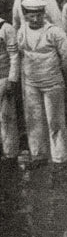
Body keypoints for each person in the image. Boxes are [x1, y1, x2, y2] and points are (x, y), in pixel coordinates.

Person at [17, 0, 67, 180]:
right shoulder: (22, 31)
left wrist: (61, 77)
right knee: (34, 120)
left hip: (52, 83)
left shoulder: (55, 32)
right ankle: (38, 155)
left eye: (38, 15)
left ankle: (60, 159)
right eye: (31, 15)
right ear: (25, 16)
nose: (35, 19)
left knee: (55, 122)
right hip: (31, 83)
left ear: (44, 14)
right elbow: (21, 54)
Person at [0, 11, 19, 171]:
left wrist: (12, 79)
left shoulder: (6, 28)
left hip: (3, 78)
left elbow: (14, 55)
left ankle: (10, 154)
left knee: (6, 118)